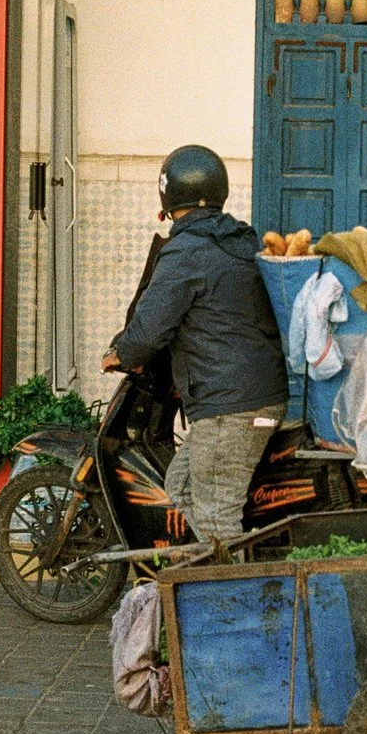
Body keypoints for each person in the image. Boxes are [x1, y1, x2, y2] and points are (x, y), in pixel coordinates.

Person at [103, 145, 288, 546]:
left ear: (167, 200)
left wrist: (123, 353)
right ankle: (205, 583)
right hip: (256, 396)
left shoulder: (187, 251)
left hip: (230, 406)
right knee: (181, 484)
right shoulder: (238, 240)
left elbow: (151, 327)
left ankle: (231, 606)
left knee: (216, 517)